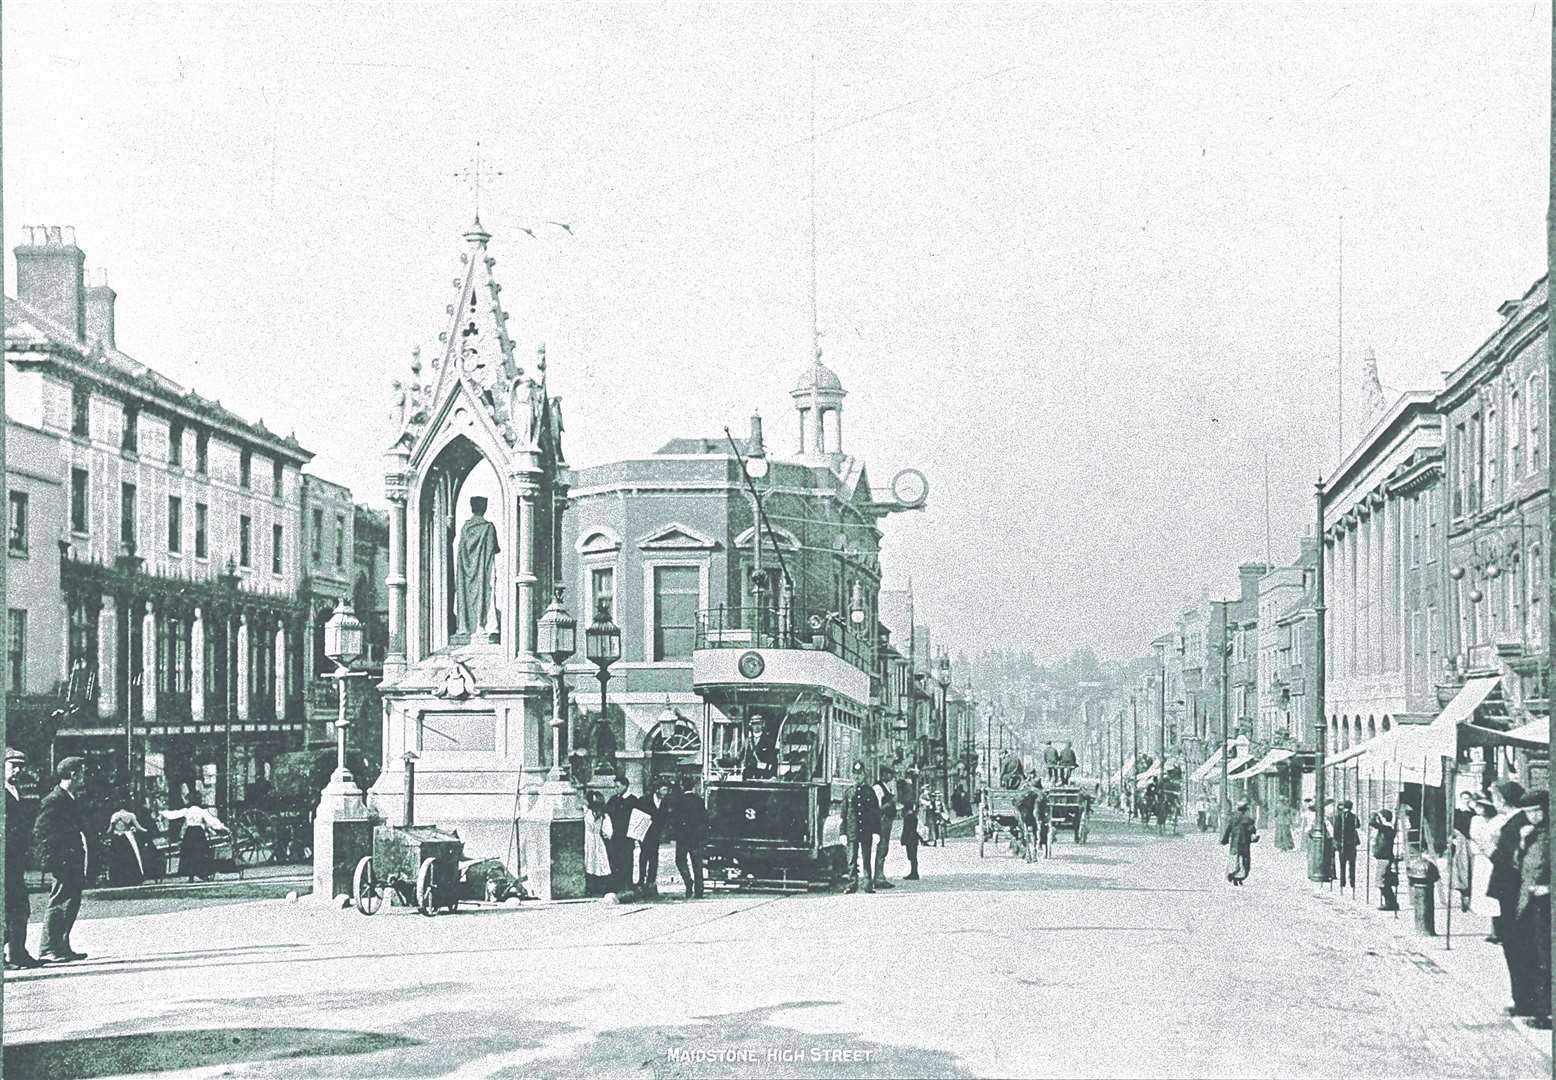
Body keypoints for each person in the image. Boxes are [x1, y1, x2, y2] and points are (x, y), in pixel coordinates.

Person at [33, 757, 90, 963]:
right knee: (59, 901)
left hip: (73, 858)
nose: (85, 776)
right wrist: (53, 859)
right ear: (72, 774)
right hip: (63, 860)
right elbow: (41, 831)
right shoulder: (54, 799)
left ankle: (62, 945)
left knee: (71, 901)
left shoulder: (70, 797)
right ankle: (49, 948)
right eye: (82, 772)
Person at [1509, 790, 1550, 1028]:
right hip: (1528, 904)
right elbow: (1519, 866)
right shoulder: (1532, 834)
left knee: (1546, 958)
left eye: (1537, 811)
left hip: (1546, 903)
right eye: (1528, 812)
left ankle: (1545, 1013)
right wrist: (1522, 843)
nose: (1533, 816)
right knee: (1533, 956)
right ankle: (1538, 1007)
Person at [4, 749, 38, 969]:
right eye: (12, 766)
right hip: (5, 860)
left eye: (20, 766)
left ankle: (18, 952)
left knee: (19, 907)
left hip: (14, 860)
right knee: (8, 908)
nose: (17, 770)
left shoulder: (15, 791)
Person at [161, 797, 226, 882]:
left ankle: (190, 876)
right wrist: (223, 828)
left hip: (190, 833)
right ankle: (203, 874)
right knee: (201, 854)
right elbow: (212, 821)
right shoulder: (202, 811)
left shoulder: (187, 810)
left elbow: (174, 814)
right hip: (198, 833)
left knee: (189, 854)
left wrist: (162, 813)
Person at [1468, 792, 1502, 934]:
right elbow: (1475, 837)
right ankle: (1492, 928)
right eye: (1476, 806)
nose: (1477, 809)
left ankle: (1497, 929)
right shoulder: (1476, 820)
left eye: (1480, 806)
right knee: (1482, 890)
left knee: (1494, 890)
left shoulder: (1498, 820)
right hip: (1481, 859)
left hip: (1494, 859)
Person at [841, 762, 878, 894]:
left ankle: (868, 884)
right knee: (851, 859)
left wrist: (876, 832)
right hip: (852, 831)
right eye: (855, 774)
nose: (857, 776)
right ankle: (852, 884)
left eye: (860, 774)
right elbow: (844, 815)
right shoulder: (848, 792)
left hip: (866, 831)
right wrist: (842, 832)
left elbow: (875, 814)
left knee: (866, 858)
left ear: (864, 775)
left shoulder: (870, 792)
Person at [669, 777, 707, 899]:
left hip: (682, 837)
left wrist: (674, 834)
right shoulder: (699, 801)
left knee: (680, 860)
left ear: (682, 786)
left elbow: (674, 820)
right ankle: (699, 890)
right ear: (693, 787)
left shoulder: (678, 801)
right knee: (697, 863)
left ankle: (688, 882)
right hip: (696, 837)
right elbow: (704, 819)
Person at [637, 779, 673, 897]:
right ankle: (641, 881)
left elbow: (666, 818)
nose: (666, 792)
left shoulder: (666, 802)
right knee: (643, 856)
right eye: (663, 789)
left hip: (656, 835)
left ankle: (651, 882)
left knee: (654, 857)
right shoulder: (644, 800)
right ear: (657, 790)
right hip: (645, 834)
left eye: (667, 790)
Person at [603, 774, 637, 895]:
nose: (615, 788)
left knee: (627, 860)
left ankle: (628, 885)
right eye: (614, 786)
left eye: (618, 786)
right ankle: (617, 885)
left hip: (627, 837)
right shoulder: (613, 800)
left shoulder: (633, 800)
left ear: (625, 786)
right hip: (615, 836)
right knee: (616, 861)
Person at [582, 790, 614, 897]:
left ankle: (592, 888)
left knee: (591, 862)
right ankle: (600, 887)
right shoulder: (603, 815)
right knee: (599, 862)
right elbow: (607, 832)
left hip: (589, 838)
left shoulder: (587, 812)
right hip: (596, 838)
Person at [1220, 799, 1258, 886]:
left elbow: (1228, 830)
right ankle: (1240, 877)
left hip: (1234, 843)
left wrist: (1224, 840)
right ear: (1245, 809)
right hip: (1245, 843)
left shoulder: (1233, 819)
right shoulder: (1249, 820)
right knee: (1246, 860)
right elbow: (1253, 831)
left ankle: (1232, 874)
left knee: (1234, 860)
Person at [871, 767, 897, 890]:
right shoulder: (877, 788)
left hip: (887, 821)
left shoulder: (886, 787)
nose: (891, 776)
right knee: (881, 848)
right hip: (882, 821)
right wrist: (891, 803)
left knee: (884, 848)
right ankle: (878, 878)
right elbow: (876, 808)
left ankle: (880, 875)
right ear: (883, 775)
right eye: (888, 774)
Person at [1369, 806, 1400, 911]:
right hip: (1383, 857)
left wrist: (1374, 815)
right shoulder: (1387, 828)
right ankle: (1391, 902)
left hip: (1385, 858)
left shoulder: (1387, 828)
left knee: (1380, 881)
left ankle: (1391, 903)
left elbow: (1372, 823)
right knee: (1383, 881)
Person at [1333, 799, 1361, 890]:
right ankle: (1350, 882)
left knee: (1344, 863)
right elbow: (1358, 825)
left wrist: (1337, 841)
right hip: (1349, 843)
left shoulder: (1339, 817)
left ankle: (1344, 882)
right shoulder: (1352, 816)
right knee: (1350, 864)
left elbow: (1336, 830)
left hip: (1345, 843)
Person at [899, 793, 921, 880]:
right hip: (914, 838)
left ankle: (914, 873)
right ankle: (914, 872)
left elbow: (906, 830)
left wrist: (903, 839)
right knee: (913, 856)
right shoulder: (914, 816)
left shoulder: (908, 817)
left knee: (912, 856)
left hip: (910, 839)